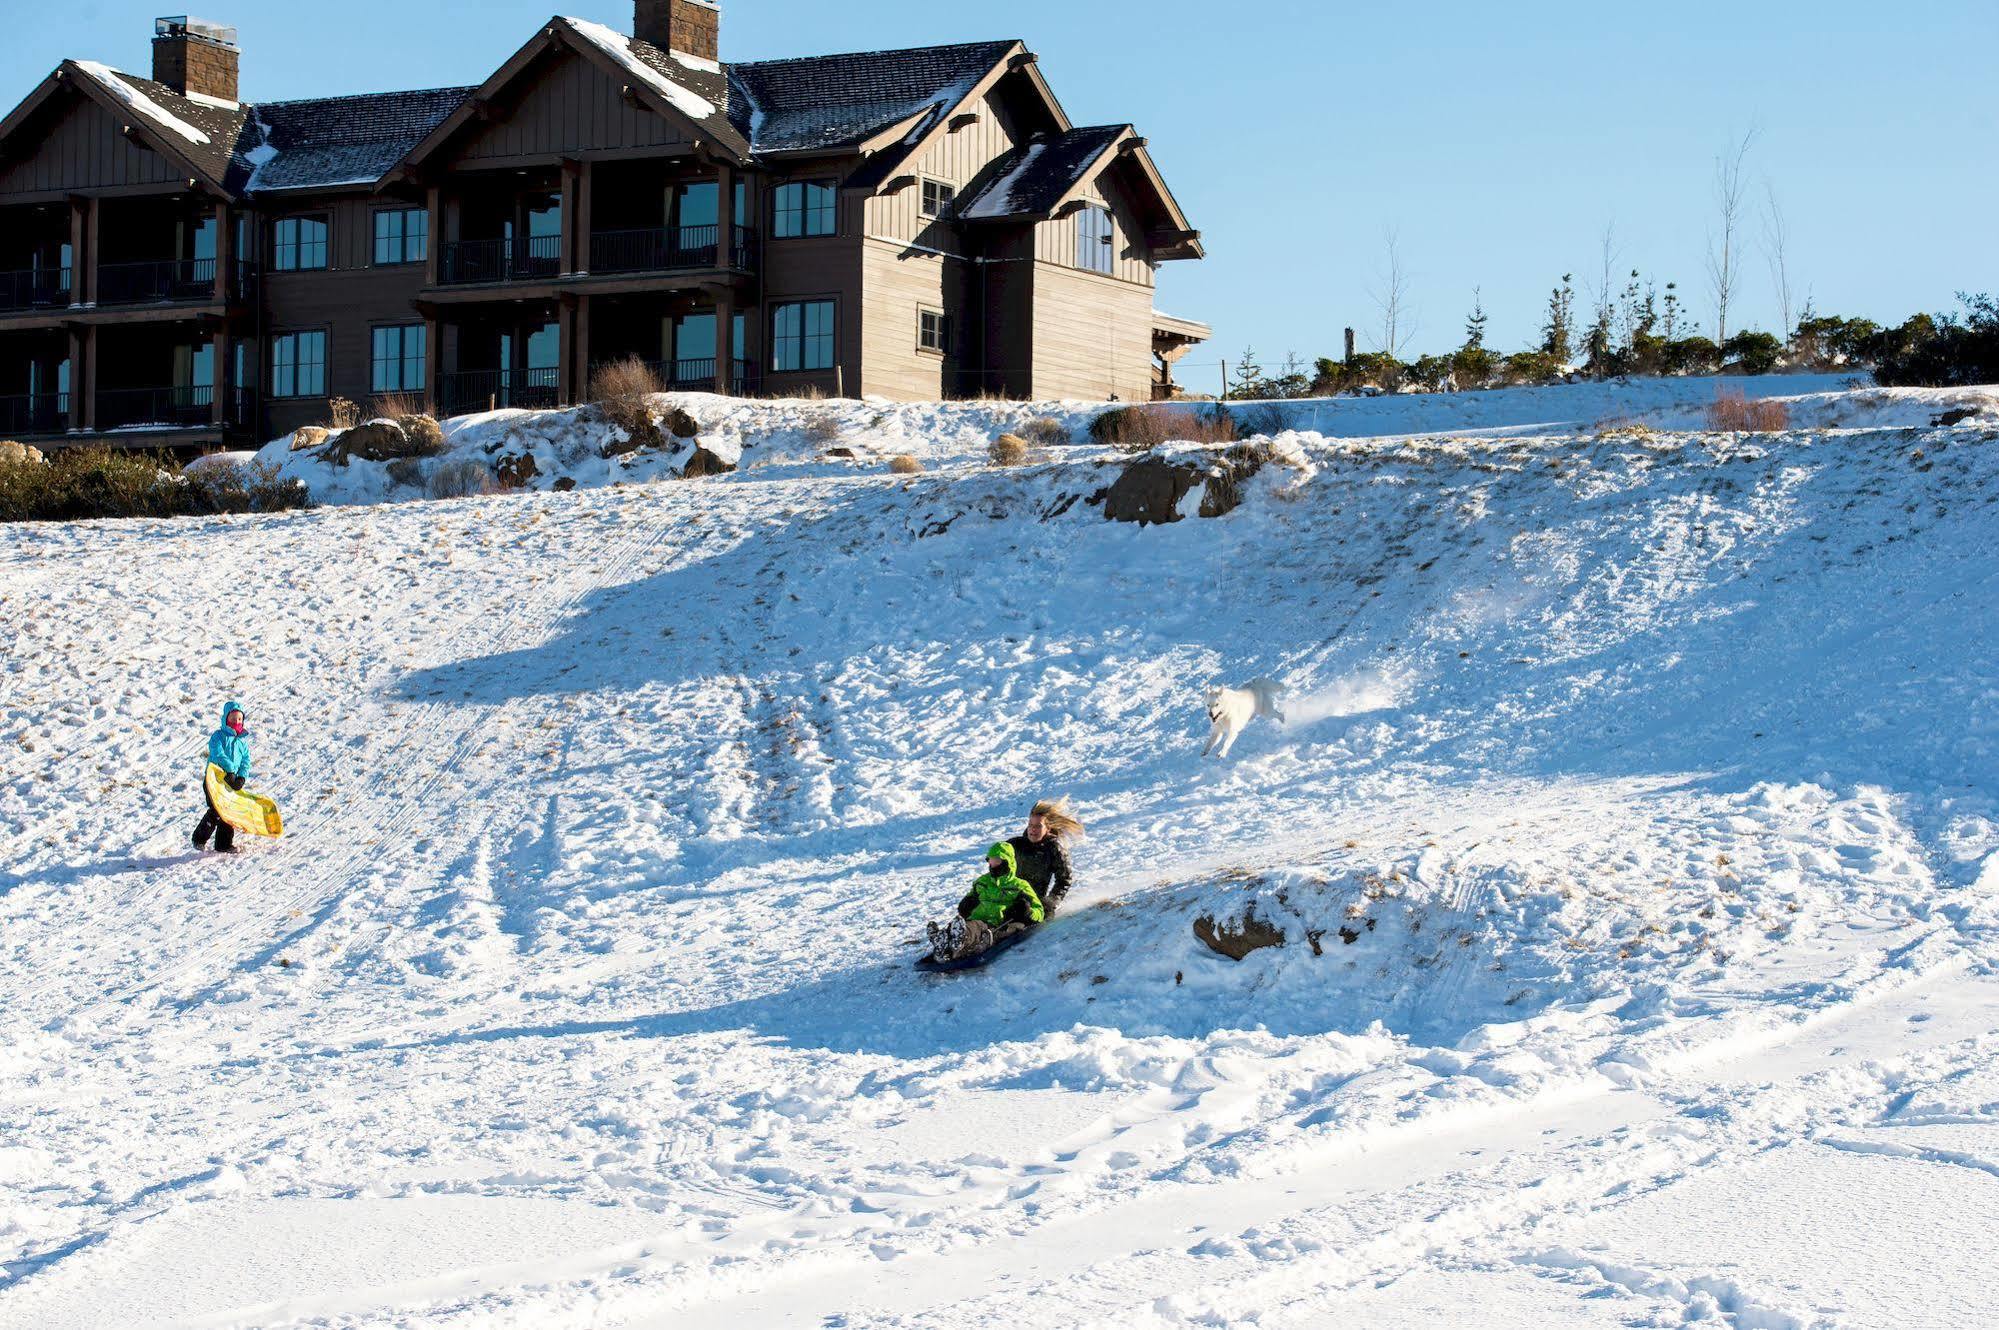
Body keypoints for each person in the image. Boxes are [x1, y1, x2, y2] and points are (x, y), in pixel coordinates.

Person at [927, 842, 1045, 962]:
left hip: (999, 924)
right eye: (990, 860)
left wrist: (1027, 911)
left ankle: (955, 941)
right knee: (962, 925)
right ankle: (943, 940)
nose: (992, 864)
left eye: (996, 860)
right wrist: (965, 905)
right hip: (976, 918)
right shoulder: (982, 882)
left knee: (974, 929)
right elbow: (969, 899)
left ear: (1007, 861)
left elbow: (1039, 911)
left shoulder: (1020, 886)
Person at [192, 700, 252, 855]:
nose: (236, 722)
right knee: (216, 810)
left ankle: (223, 844)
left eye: (239, 719)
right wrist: (230, 770)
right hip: (214, 780)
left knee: (227, 811)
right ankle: (199, 839)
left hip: (230, 783)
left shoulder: (242, 743)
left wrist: (241, 777)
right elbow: (218, 754)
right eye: (232, 719)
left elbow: (246, 761)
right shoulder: (218, 736)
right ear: (226, 719)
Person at [1007, 797, 1084, 916]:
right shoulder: (1015, 844)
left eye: (1038, 826)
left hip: (1032, 904)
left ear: (1048, 828)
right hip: (1006, 898)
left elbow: (1064, 879)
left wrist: (1051, 901)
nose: (1032, 829)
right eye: (1030, 824)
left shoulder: (1054, 849)